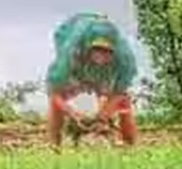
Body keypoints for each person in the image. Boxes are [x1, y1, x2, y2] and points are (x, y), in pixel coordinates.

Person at [46, 12, 139, 147]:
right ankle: (55, 145)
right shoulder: (70, 53)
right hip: (70, 37)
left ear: (114, 50)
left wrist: (103, 116)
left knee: (124, 102)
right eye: (97, 49)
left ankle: (129, 145)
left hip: (104, 72)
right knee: (60, 97)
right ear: (88, 46)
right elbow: (54, 93)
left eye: (107, 51)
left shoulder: (125, 59)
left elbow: (120, 92)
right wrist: (73, 113)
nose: (101, 55)